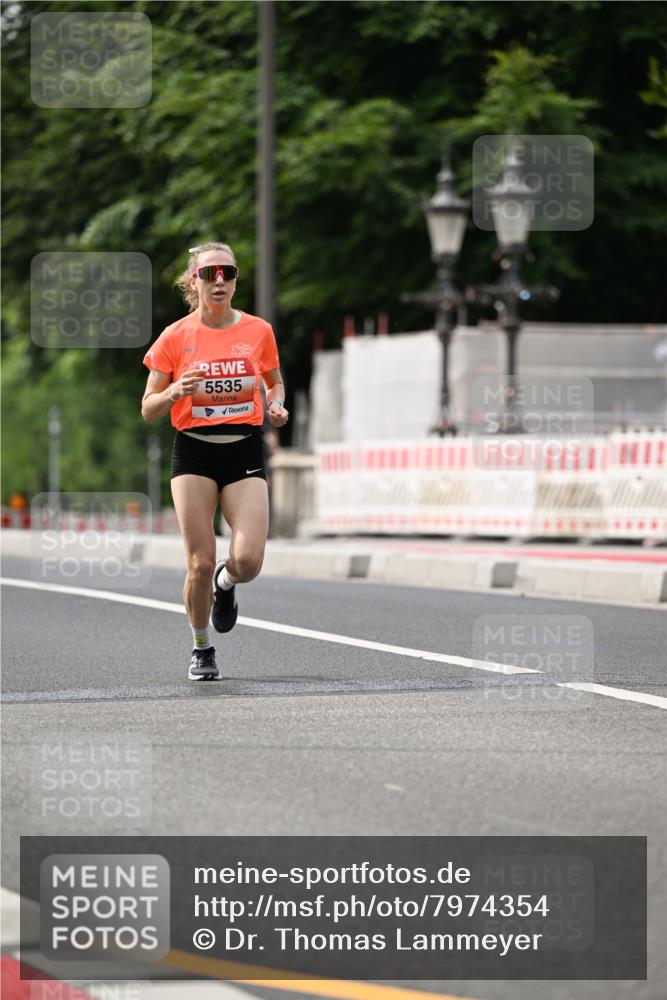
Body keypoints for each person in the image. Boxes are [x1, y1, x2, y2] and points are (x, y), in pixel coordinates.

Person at [141, 242, 289, 680]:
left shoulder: (258, 331)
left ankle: (227, 583)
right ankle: (202, 647)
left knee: (249, 561)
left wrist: (276, 404)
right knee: (199, 562)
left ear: (236, 279)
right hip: (194, 450)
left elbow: (275, 383)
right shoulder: (175, 336)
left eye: (228, 272)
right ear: (195, 281)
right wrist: (175, 391)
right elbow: (148, 408)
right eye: (210, 273)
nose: (220, 280)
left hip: (244, 447)